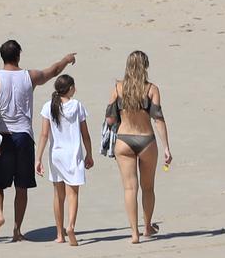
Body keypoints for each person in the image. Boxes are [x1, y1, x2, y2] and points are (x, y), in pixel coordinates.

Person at [0, 40, 76, 242]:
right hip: (24, 138)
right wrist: (66, 59)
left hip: (1, 139)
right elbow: (53, 71)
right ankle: (17, 230)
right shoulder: (30, 76)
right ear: (19, 55)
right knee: (22, 186)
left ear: (2, 56)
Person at [105, 50, 172, 244]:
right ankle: (148, 226)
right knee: (148, 187)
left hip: (124, 140)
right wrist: (166, 146)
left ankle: (134, 233)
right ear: (145, 67)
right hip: (146, 140)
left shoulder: (118, 88)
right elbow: (158, 119)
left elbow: (109, 118)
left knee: (129, 188)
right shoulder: (151, 89)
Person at [35, 74, 93, 246]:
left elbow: (44, 134)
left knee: (58, 195)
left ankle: (59, 234)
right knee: (73, 193)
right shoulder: (77, 106)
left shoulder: (48, 106)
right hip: (73, 154)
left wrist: (38, 158)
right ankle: (71, 226)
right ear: (69, 89)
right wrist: (89, 153)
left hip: (56, 154)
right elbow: (85, 134)